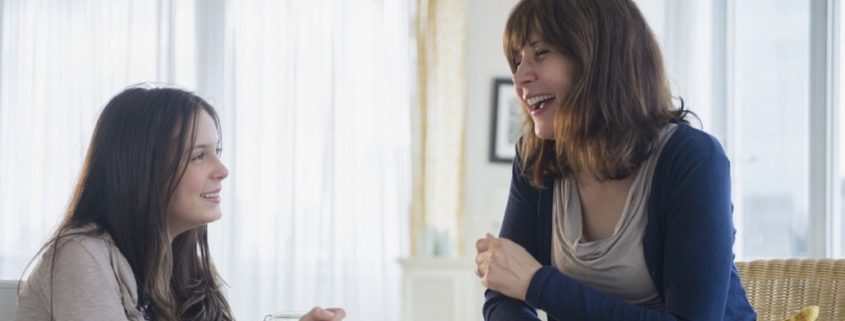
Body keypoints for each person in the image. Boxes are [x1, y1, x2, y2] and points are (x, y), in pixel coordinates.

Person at [473, 0, 756, 320]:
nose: (520, 77)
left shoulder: (692, 160)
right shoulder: (535, 158)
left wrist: (539, 284)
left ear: (598, 58)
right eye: (516, 59)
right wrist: (522, 285)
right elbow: (504, 295)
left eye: (540, 53)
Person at [14, 86, 345, 321]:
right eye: (199, 156)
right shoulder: (82, 255)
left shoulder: (187, 265)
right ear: (142, 170)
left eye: (218, 152)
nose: (222, 171)